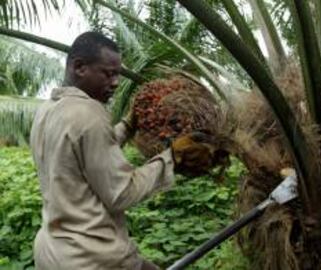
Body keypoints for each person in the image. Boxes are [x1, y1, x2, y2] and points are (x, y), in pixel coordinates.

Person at [30, 31, 215, 270]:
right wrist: (171, 158)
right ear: (79, 67)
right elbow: (122, 192)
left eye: (117, 74)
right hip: (92, 257)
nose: (116, 82)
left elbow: (86, 151)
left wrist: (127, 126)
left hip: (52, 251)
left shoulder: (49, 110)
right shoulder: (90, 114)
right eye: (108, 73)